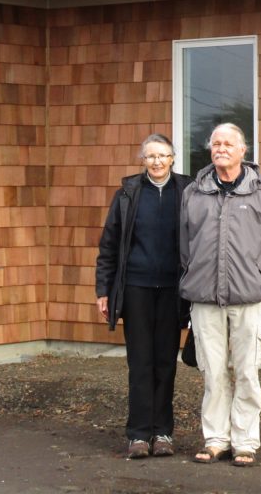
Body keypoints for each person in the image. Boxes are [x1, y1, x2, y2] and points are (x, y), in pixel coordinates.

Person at [179, 123, 261, 468]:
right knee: (213, 373)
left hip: (248, 300)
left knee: (247, 372)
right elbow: (186, 247)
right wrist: (198, 274)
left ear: (243, 151)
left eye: (228, 143)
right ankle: (215, 440)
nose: (221, 148)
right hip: (205, 300)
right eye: (216, 143)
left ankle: (244, 442)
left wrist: (256, 279)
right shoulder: (195, 192)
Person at [95, 133, 193, 459]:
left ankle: (163, 433)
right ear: (143, 160)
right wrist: (103, 291)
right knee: (140, 362)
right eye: (151, 156)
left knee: (166, 362)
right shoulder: (127, 194)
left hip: (173, 290)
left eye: (163, 155)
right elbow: (109, 246)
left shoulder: (188, 191)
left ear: (173, 158)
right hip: (135, 288)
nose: (157, 162)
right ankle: (138, 435)